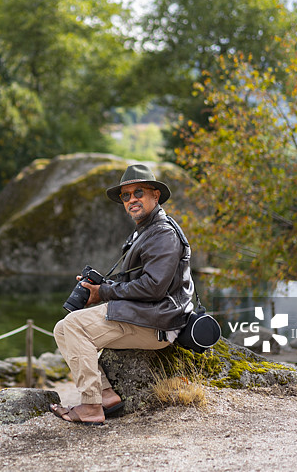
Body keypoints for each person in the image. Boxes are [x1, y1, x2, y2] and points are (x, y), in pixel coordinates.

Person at [51, 164, 195, 425]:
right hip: (146, 314)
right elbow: (140, 281)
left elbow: (154, 287)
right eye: (125, 196)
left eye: (138, 192)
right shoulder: (146, 230)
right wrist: (100, 287)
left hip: (158, 322)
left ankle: (91, 407)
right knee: (62, 329)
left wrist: (104, 291)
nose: (131, 200)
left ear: (155, 195)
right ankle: (104, 395)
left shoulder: (162, 233)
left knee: (73, 325)